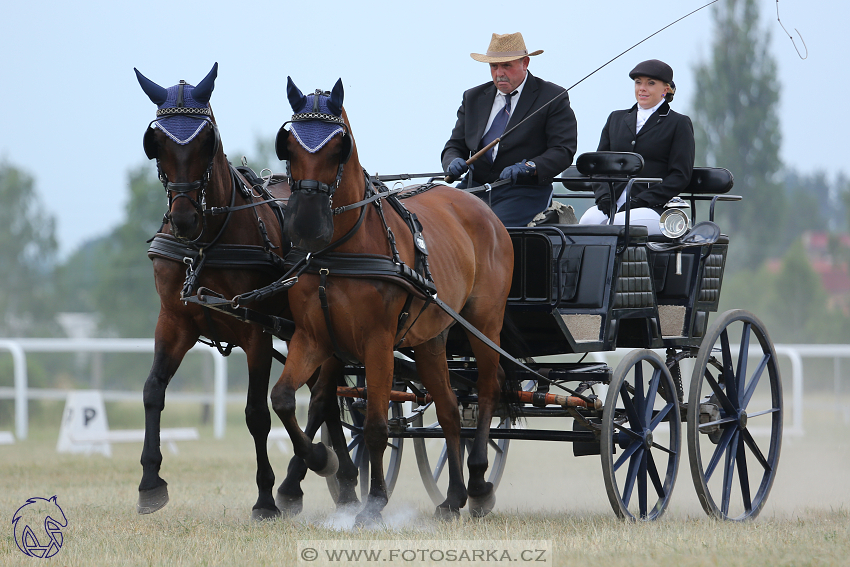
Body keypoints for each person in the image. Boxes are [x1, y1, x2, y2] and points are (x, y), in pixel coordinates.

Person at [441, 32, 578, 227]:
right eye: (493, 66)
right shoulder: (473, 97)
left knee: (488, 229)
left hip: (523, 192)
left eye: (507, 65)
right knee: (434, 224)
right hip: (475, 188)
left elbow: (563, 150)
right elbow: (455, 145)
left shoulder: (552, 96)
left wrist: (530, 167)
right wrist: (452, 161)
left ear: (525, 63)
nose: (499, 73)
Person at [579, 59, 695, 234]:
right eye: (638, 82)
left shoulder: (678, 123)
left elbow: (680, 175)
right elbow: (598, 165)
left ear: (665, 89)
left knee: (618, 223)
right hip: (613, 202)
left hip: (654, 207)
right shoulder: (616, 119)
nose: (642, 88)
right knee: (588, 220)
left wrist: (641, 200)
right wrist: (604, 196)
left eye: (651, 83)